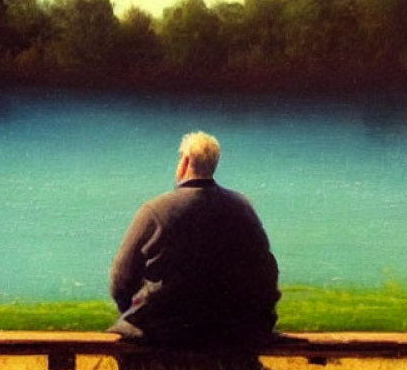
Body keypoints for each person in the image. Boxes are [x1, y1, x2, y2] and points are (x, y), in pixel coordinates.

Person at [108, 131, 280, 350]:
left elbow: (121, 279)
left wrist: (133, 311)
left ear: (185, 161)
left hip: (169, 329)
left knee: (125, 333)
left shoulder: (155, 210)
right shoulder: (243, 206)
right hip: (237, 328)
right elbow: (267, 269)